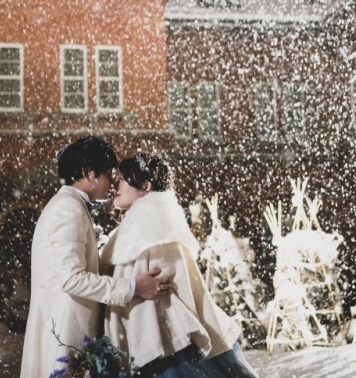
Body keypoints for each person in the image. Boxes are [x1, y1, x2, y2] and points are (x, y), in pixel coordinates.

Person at [20, 137, 170, 378]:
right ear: (89, 174)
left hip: (66, 329)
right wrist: (132, 287)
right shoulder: (68, 209)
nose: (113, 182)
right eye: (109, 174)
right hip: (66, 333)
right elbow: (72, 279)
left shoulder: (70, 206)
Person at [100, 152, 258, 377]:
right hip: (156, 350)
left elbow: (173, 294)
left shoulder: (154, 231)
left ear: (145, 185)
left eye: (124, 178)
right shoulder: (141, 229)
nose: (117, 183)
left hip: (165, 352)